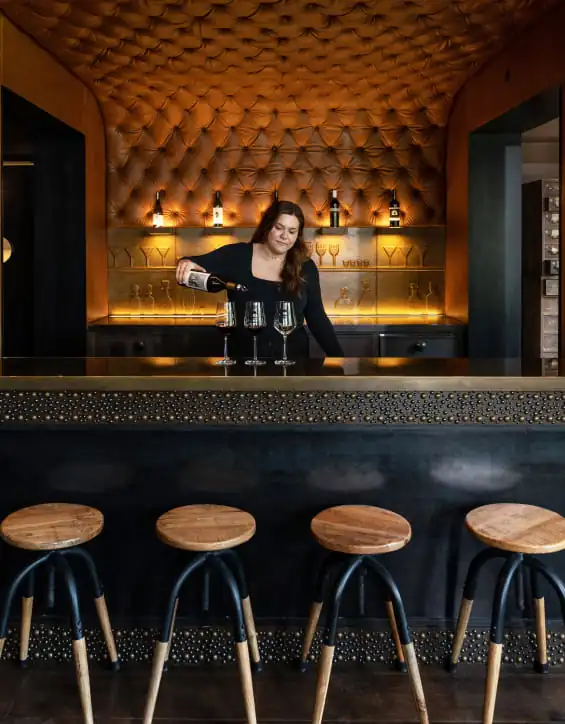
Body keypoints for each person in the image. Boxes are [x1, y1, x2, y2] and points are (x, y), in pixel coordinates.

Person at [176, 201, 343, 359]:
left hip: (293, 363)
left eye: (292, 232)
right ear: (267, 226)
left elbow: (317, 317)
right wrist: (186, 262)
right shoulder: (237, 255)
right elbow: (194, 264)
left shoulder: (305, 267)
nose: (285, 236)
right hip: (244, 362)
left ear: (297, 236)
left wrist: (340, 359)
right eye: (279, 228)